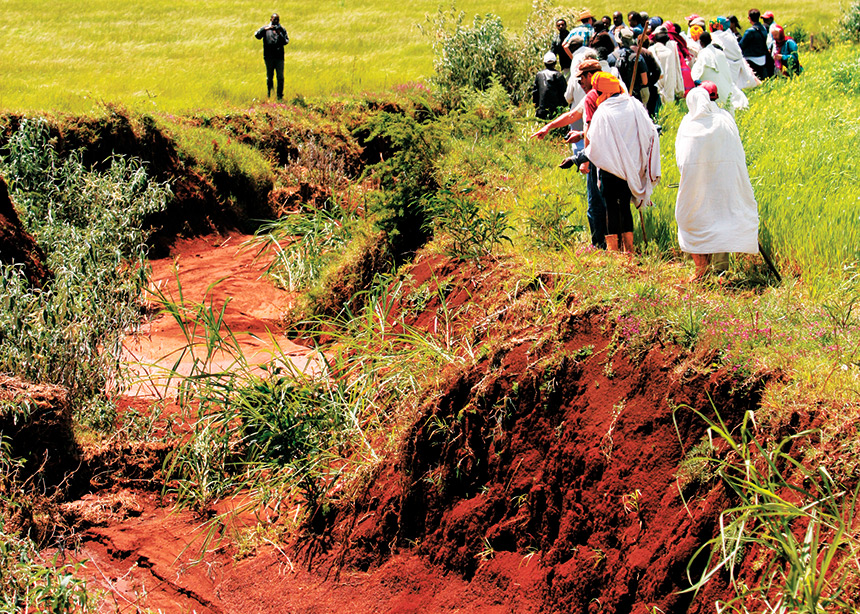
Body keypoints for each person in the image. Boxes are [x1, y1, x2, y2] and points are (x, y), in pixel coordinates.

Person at [674, 86, 759, 280]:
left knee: (695, 220)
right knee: (722, 219)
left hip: (696, 185)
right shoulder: (723, 120)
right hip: (723, 183)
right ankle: (720, 270)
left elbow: (681, 157)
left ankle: (703, 269)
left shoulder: (687, 125)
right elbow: (736, 152)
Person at [583, 72, 661, 253]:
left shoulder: (603, 111)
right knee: (624, 204)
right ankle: (629, 250)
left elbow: (594, 139)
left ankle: (614, 251)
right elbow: (650, 131)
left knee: (610, 205)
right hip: (631, 167)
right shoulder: (635, 105)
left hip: (610, 167)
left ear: (605, 92)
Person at [255, 13, 289, 101]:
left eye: (277, 20)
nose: (276, 22)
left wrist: (279, 33)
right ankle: (270, 94)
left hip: (279, 57)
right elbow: (257, 35)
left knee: (280, 77)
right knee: (269, 77)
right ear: (271, 19)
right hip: (268, 57)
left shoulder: (282, 29)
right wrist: (266, 29)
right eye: (274, 20)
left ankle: (279, 96)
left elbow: (286, 41)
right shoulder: (266, 29)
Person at [610, 27, 649, 106]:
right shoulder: (638, 57)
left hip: (616, 97)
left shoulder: (611, 57)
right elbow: (645, 81)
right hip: (634, 98)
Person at [532, 52, 568, 119]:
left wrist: (536, 108)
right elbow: (564, 93)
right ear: (555, 63)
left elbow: (535, 93)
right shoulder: (558, 75)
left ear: (544, 63)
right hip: (556, 111)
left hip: (541, 111)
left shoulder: (539, 75)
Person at [740, 9, 772, 80]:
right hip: (762, 58)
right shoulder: (764, 28)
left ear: (749, 18)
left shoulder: (750, 31)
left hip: (751, 59)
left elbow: (741, 45)